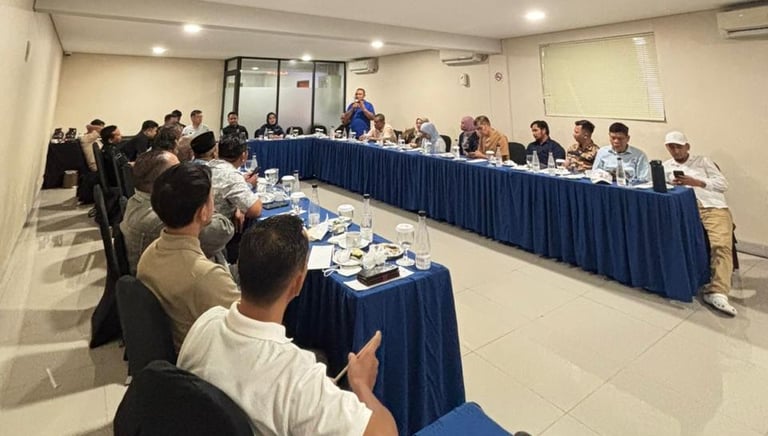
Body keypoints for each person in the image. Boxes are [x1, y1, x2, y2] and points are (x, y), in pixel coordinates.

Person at [178, 215, 397, 435]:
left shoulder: (205, 324)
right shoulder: (297, 378)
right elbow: (386, 432)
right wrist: (361, 385)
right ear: (298, 283)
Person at [137, 163, 240, 352]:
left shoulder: (150, 252)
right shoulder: (206, 276)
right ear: (203, 212)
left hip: (181, 343)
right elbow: (251, 324)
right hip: (206, 356)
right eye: (212, 198)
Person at [662, 131, 737, 316]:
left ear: (687, 147)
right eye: (671, 147)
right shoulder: (665, 166)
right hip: (683, 208)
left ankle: (717, 291)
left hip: (711, 206)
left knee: (721, 244)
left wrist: (697, 182)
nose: (675, 150)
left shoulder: (703, 161)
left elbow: (723, 184)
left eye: (679, 146)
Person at [120, 150, 180, 275]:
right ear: (162, 182)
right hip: (158, 280)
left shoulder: (135, 200)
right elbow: (214, 237)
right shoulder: (160, 219)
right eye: (178, 172)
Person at [209, 135, 262, 228]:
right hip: (218, 229)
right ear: (244, 155)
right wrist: (249, 185)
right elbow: (256, 210)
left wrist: (239, 207)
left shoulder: (209, 165)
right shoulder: (231, 175)